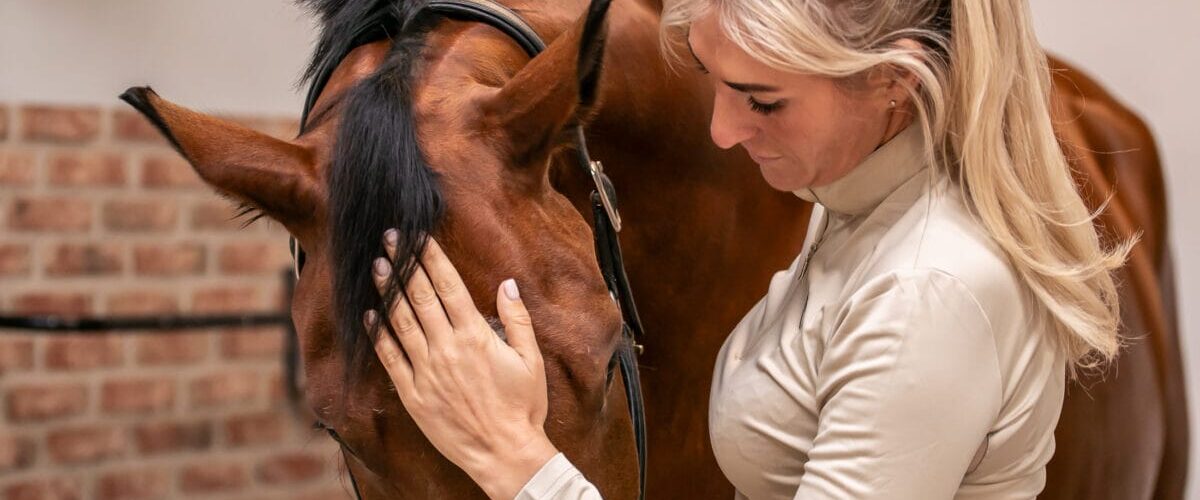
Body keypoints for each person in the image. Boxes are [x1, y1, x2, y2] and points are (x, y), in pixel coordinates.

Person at [362, 0, 1132, 498]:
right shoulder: (856, 203)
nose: (723, 131)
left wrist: (516, 460)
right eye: (715, 82)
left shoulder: (928, 291)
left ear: (894, 84)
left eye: (764, 100)